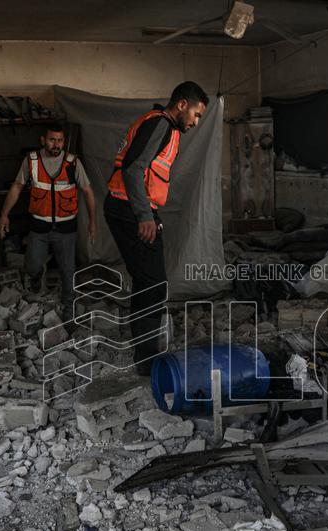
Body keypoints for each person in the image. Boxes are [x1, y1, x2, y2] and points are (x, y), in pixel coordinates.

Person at [104, 81, 209, 375]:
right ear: (181, 105)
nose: (196, 122)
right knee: (154, 284)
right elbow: (134, 169)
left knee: (145, 280)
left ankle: (143, 351)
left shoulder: (161, 125)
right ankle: (148, 361)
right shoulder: (161, 125)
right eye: (196, 115)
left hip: (126, 207)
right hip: (130, 209)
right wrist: (144, 216)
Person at [0, 123, 96, 313]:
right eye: (52, 140)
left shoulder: (72, 163)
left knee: (68, 271)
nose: (56, 144)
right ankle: (38, 275)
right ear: (43, 140)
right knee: (32, 266)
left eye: (60, 140)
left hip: (66, 229)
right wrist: (4, 215)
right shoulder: (32, 161)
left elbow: (88, 191)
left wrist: (93, 222)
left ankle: (69, 307)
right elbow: (16, 188)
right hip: (39, 227)